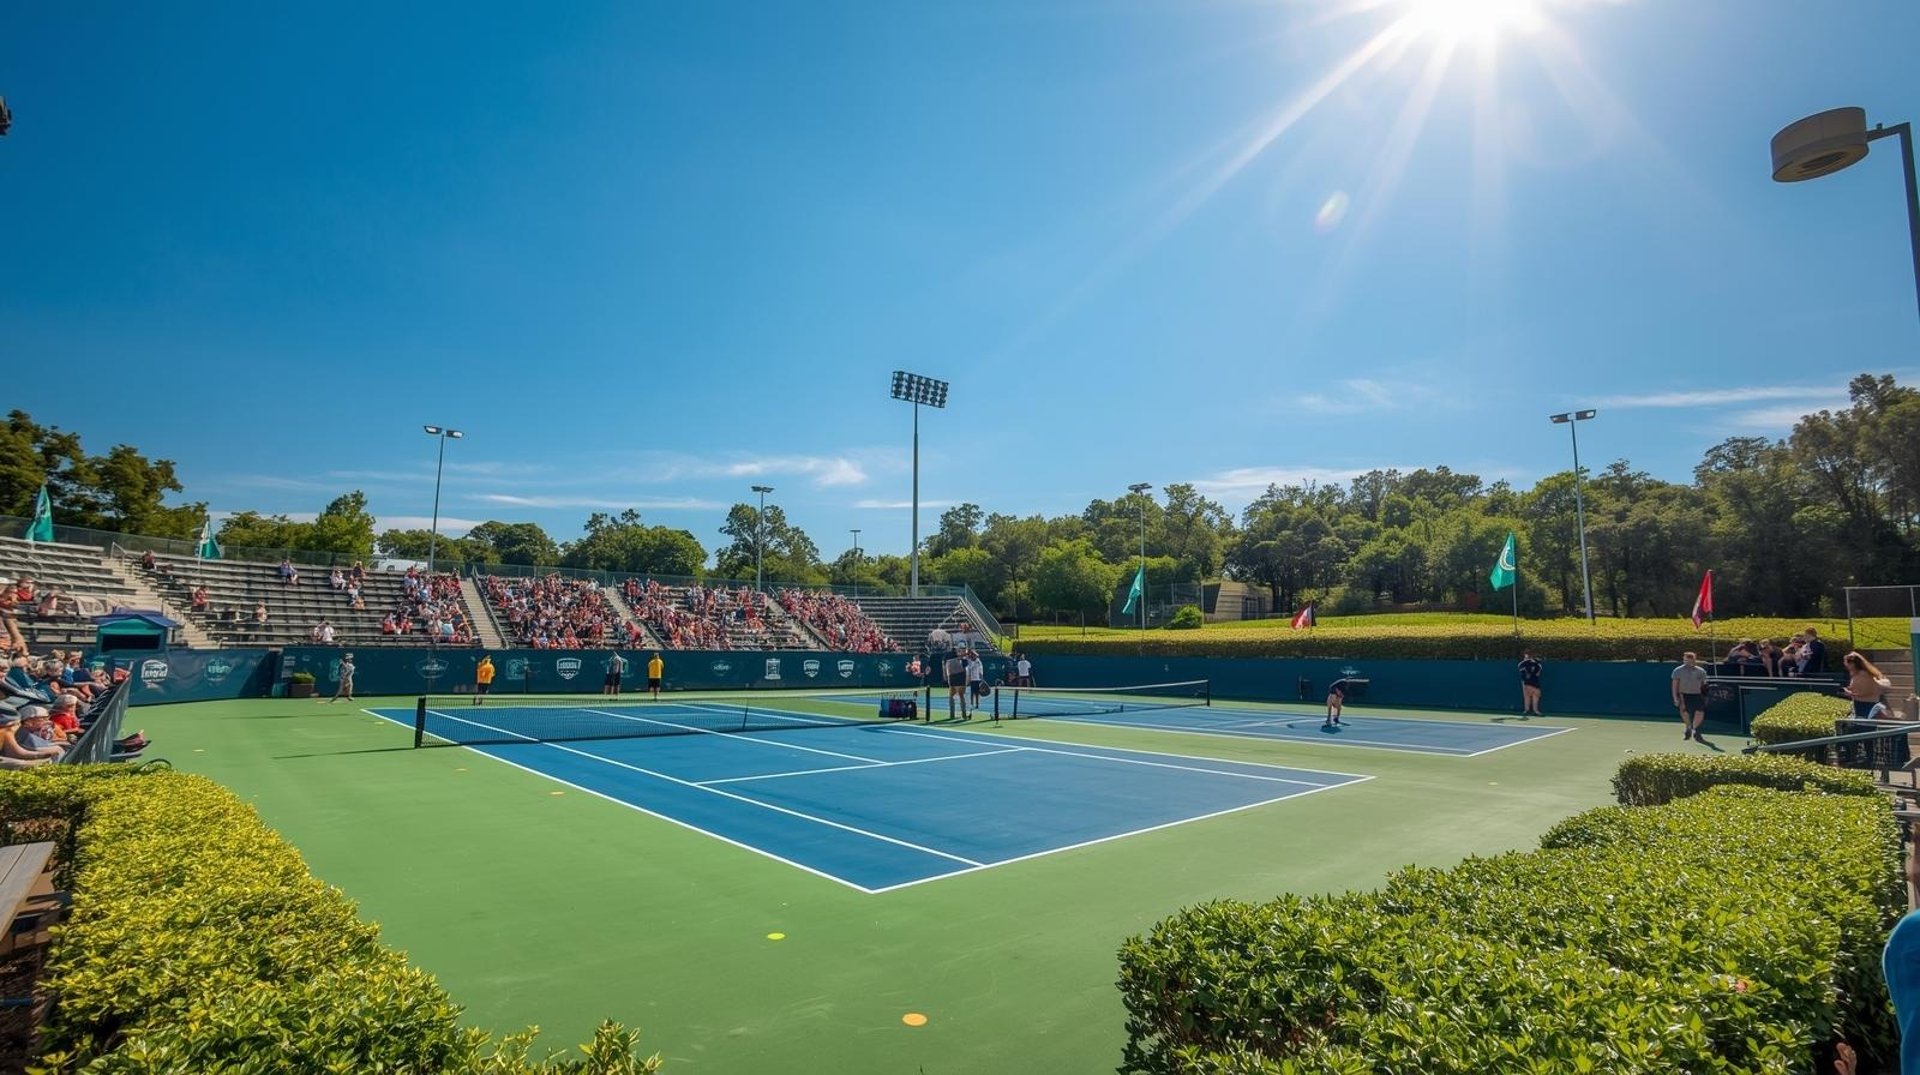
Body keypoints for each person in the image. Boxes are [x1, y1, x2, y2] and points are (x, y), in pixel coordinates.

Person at [1841, 652, 1893, 719]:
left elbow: (1865, 692)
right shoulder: (1865, 674)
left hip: (1865, 705)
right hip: (1869, 704)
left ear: (1852, 664)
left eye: (1847, 664)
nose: (1846, 666)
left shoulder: (1861, 675)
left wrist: (1849, 693)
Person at [1671, 650, 1709, 741]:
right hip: (1684, 694)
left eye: (1688, 660)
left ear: (1693, 660)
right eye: (1685, 660)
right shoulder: (1678, 670)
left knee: (1700, 711)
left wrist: (1705, 694)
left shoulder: (1701, 671)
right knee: (1684, 711)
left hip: (1697, 694)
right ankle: (1688, 727)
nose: (1686, 662)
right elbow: (1675, 685)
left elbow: (1704, 684)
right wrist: (1675, 698)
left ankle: (1696, 729)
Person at [943, 650, 969, 719]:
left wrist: (946, 678)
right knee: (961, 696)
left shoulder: (947, 661)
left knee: (951, 696)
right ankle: (964, 714)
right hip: (960, 677)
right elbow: (966, 665)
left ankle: (952, 714)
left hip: (952, 677)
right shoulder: (960, 659)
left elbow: (945, 671)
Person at [1518, 650, 1543, 717]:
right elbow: (1521, 670)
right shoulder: (1523, 664)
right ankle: (1528, 710)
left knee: (1535, 695)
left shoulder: (1537, 664)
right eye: (1526, 656)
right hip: (1527, 682)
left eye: (1528, 656)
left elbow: (1538, 673)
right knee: (1528, 696)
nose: (1527, 657)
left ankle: (1534, 711)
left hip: (1533, 682)